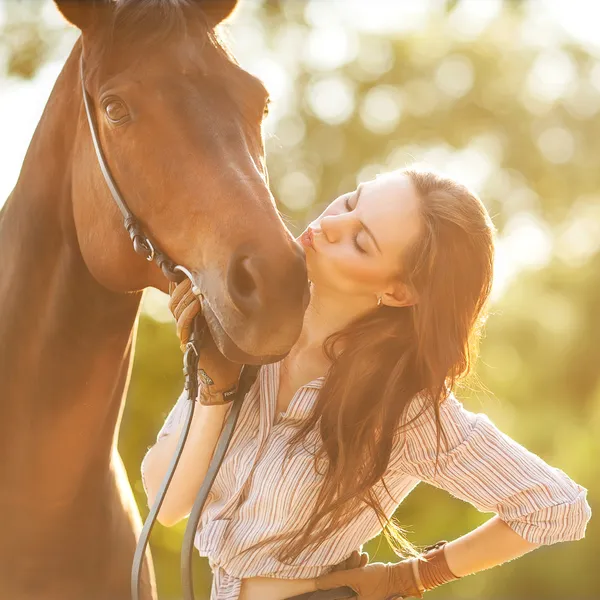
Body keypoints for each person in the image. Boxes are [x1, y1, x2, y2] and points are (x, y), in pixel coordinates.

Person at [141, 167, 591, 600]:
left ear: (398, 292)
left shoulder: (404, 408)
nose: (332, 223)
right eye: (352, 201)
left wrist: (411, 575)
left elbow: (556, 507)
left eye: (360, 241)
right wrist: (211, 393)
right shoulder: (246, 337)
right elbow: (167, 505)